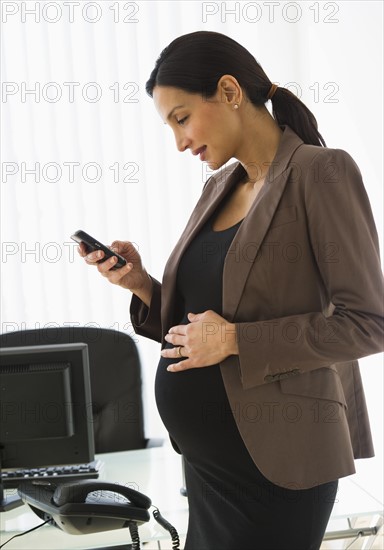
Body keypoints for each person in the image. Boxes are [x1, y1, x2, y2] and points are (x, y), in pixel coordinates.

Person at [78, 31, 384, 550]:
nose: (179, 142)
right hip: (208, 469)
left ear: (228, 90)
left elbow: (367, 323)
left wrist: (238, 340)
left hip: (280, 468)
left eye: (181, 119)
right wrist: (141, 285)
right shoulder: (219, 187)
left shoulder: (321, 173)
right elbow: (203, 323)